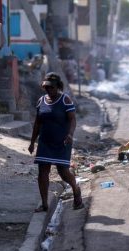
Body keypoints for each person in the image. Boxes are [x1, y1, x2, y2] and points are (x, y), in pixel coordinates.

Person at [28, 72, 83, 212]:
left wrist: (70, 134)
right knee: (42, 172)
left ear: (58, 87)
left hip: (62, 142)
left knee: (63, 172)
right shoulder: (41, 101)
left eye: (51, 87)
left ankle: (76, 189)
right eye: (46, 87)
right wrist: (32, 141)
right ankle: (44, 204)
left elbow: (72, 119)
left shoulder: (66, 100)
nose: (48, 90)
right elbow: (37, 123)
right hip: (45, 141)